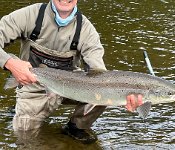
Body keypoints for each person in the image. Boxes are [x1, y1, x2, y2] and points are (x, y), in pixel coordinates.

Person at [0, 0, 143, 144]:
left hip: (73, 85)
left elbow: (100, 73)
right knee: (24, 137)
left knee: (106, 90)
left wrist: (124, 95)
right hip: (34, 86)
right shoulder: (29, 15)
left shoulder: (86, 30)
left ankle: (76, 127)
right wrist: (9, 63)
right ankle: (21, 109)